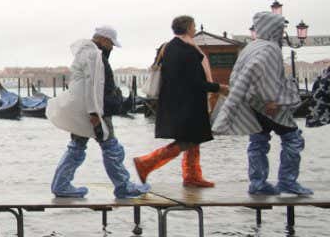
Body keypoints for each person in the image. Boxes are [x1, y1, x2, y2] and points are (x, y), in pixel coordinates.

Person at [213, 11, 311, 195]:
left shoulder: (251, 47)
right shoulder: (270, 49)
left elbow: (237, 75)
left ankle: (257, 183)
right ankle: (287, 181)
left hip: (253, 104)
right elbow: (258, 73)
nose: (282, 33)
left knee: (258, 141)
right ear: (273, 29)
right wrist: (270, 99)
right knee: (293, 139)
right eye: (281, 29)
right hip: (270, 105)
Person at [45, 26, 149, 199]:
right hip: (96, 111)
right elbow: (94, 86)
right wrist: (95, 114)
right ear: (103, 40)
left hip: (82, 109)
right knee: (111, 148)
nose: (112, 48)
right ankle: (123, 186)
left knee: (76, 148)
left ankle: (60, 185)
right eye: (111, 43)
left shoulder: (85, 53)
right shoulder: (94, 55)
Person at [133, 16, 227, 187]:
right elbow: (195, 81)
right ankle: (146, 163)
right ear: (188, 28)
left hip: (173, 101)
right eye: (194, 26)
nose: (195, 28)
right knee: (188, 140)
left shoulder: (169, 47)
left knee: (194, 139)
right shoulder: (188, 50)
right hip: (188, 103)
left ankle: (192, 175)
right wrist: (218, 88)